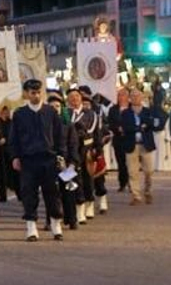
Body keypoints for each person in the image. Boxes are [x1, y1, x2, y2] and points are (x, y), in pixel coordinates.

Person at [8, 78, 64, 241]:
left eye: (39, 92)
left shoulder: (50, 112)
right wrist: (15, 157)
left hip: (48, 158)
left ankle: (56, 225)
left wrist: (61, 155)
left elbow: (59, 135)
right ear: (26, 94)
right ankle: (31, 228)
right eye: (33, 93)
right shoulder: (20, 114)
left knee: (52, 193)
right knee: (29, 194)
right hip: (28, 160)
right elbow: (14, 138)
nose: (36, 96)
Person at [67, 86, 111, 219]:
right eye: (71, 97)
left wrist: (98, 151)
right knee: (71, 178)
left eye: (77, 96)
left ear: (81, 98)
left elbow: (96, 134)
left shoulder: (91, 114)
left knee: (88, 179)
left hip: (87, 151)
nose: (74, 99)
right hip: (70, 152)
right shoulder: (65, 114)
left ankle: (89, 203)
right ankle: (75, 206)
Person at [119, 86, 161, 204]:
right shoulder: (125, 113)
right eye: (133, 96)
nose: (135, 98)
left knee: (149, 170)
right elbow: (125, 127)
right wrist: (140, 127)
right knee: (132, 171)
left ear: (142, 97)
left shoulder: (148, 111)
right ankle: (136, 195)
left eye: (137, 96)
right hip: (131, 144)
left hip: (146, 144)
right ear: (130, 98)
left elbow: (151, 124)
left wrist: (143, 125)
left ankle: (148, 190)